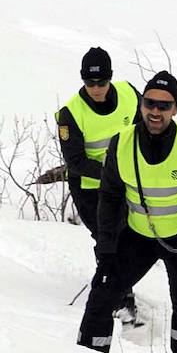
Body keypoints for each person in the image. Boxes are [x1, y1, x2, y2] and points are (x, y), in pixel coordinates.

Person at [75, 70, 177, 353]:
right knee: (101, 297)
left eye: (164, 106)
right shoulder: (122, 143)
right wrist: (107, 247)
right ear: (141, 105)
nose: (156, 111)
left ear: (176, 109)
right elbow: (110, 198)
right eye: (150, 103)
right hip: (137, 238)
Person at [56, 46, 140, 321]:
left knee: (128, 237)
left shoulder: (129, 94)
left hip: (125, 184)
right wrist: (114, 172)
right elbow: (76, 161)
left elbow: (149, 128)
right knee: (109, 238)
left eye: (101, 82)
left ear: (110, 78)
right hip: (90, 189)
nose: (95, 88)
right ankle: (117, 298)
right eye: (89, 83)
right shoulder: (71, 113)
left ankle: (120, 290)